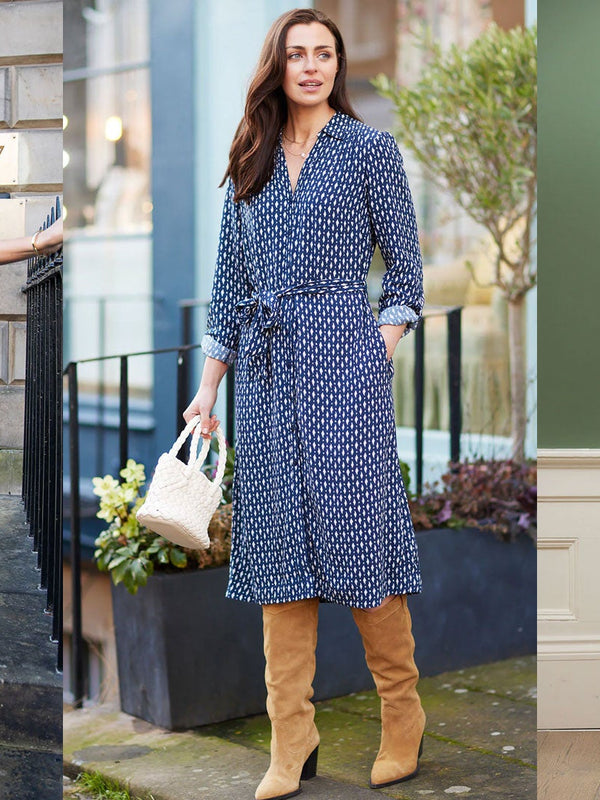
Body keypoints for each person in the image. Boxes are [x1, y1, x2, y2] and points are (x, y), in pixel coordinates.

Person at [184, 8, 426, 799]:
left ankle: (403, 715)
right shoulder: (249, 157)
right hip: (262, 379)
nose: (313, 66)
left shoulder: (369, 150)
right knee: (280, 551)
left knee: (360, 537)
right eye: (298, 54)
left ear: (337, 65)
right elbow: (227, 290)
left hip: (344, 372)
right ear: (277, 66)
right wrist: (208, 389)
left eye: (325, 53)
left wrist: (371, 349)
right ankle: (292, 741)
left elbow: (407, 282)